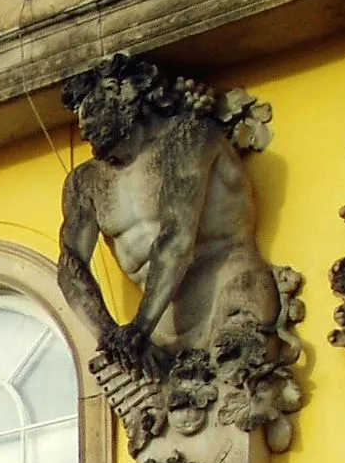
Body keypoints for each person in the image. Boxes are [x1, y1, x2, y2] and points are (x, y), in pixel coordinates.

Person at [57, 56, 279, 385]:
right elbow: (70, 264)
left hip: (228, 293)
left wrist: (139, 328)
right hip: (157, 332)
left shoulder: (189, 139)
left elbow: (176, 238)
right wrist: (109, 334)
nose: (85, 120)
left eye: (95, 104)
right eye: (81, 111)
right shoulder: (85, 182)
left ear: (126, 99)